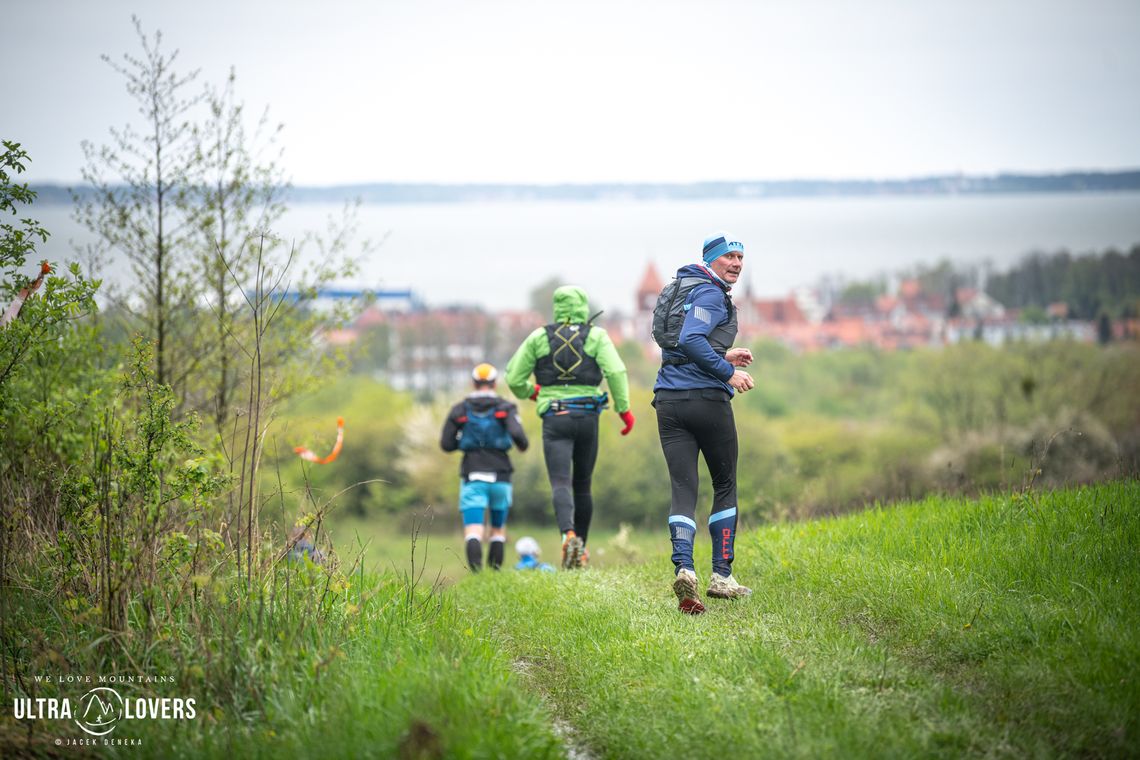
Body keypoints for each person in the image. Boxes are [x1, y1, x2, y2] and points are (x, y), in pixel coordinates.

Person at [652, 232, 756, 614]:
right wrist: (727, 370)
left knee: (683, 487)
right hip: (707, 401)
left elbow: (677, 345)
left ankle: (684, 567)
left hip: (669, 401)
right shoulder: (711, 294)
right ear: (711, 259)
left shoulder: (679, 289)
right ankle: (721, 576)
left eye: (741, 258)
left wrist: (723, 351)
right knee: (724, 484)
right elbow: (693, 339)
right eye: (729, 256)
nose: (736, 264)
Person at [506, 285, 634, 569]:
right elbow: (615, 371)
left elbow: (513, 377)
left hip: (555, 418)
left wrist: (533, 392)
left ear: (557, 307)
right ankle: (581, 552)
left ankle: (568, 535)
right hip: (588, 417)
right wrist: (624, 410)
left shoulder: (539, 337)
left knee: (560, 482)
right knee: (583, 485)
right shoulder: (597, 336)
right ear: (583, 307)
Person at [440, 362, 529, 572]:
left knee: (473, 530)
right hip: (501, 475)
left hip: (473, 473)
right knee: (498, 530)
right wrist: (522, 447)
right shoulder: (505, 408)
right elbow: (519, 436)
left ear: (473, 383)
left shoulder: (460, 409)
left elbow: (446, 444)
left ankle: (477, 574)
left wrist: (462, 442)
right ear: (495, 383)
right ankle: (494, 574)